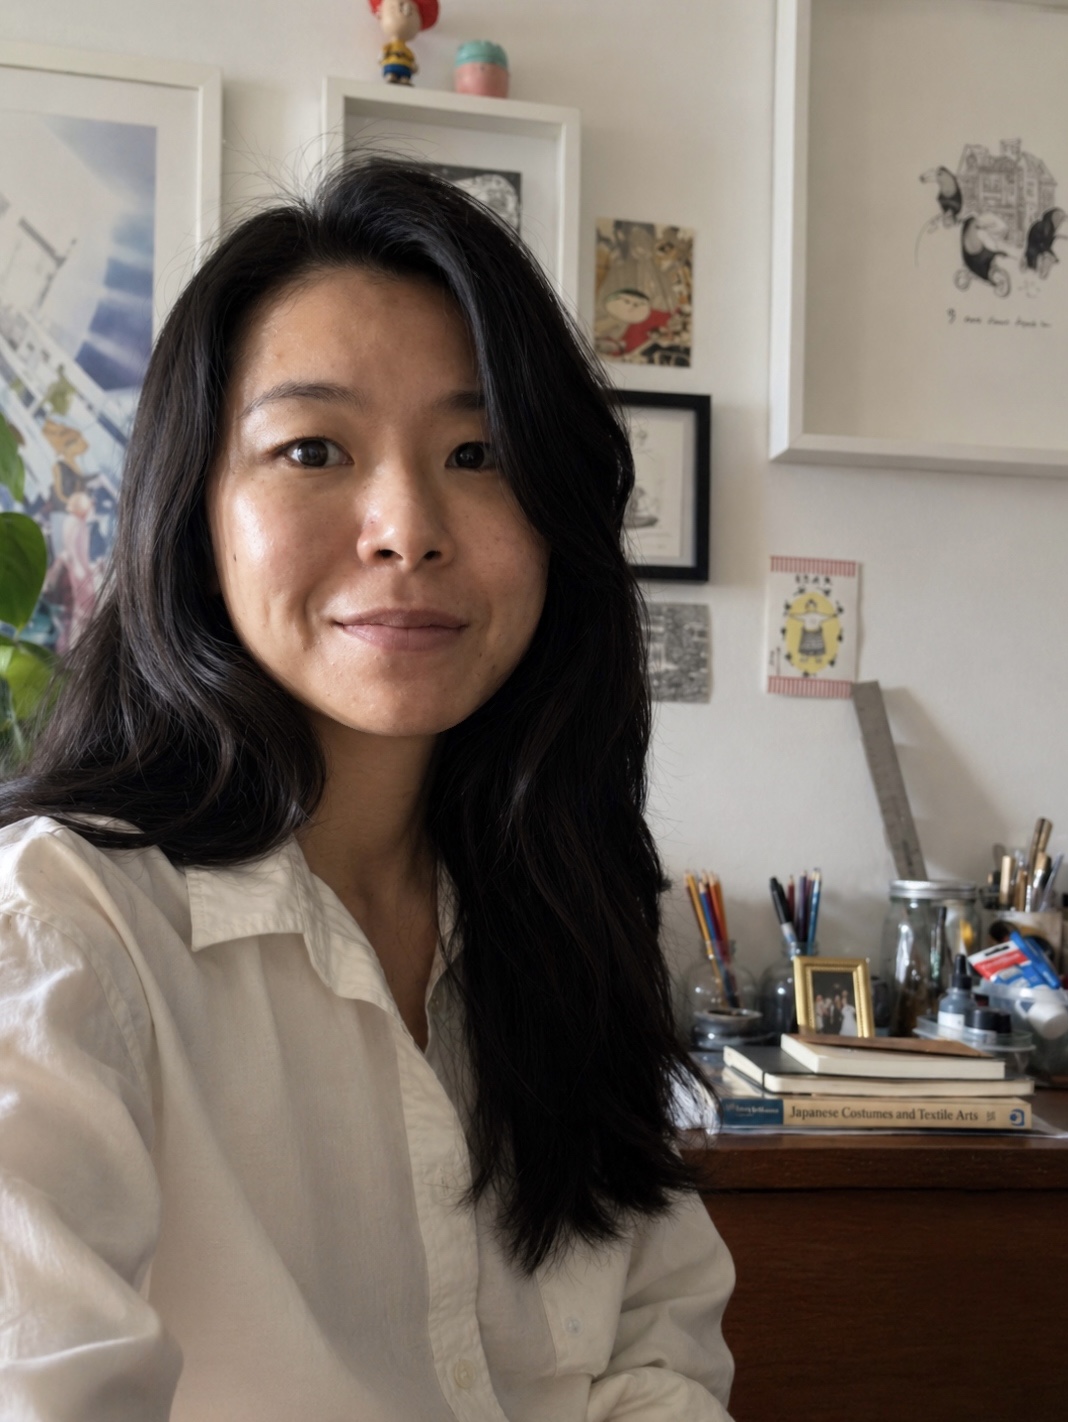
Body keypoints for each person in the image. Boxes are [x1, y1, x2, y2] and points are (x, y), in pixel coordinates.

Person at [0, 159, 735, 1421]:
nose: (407, 525)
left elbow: (652, 1346)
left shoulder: (566, 913)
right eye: (313, 448)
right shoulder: (62, 929)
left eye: (478, 451)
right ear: (198, 515)